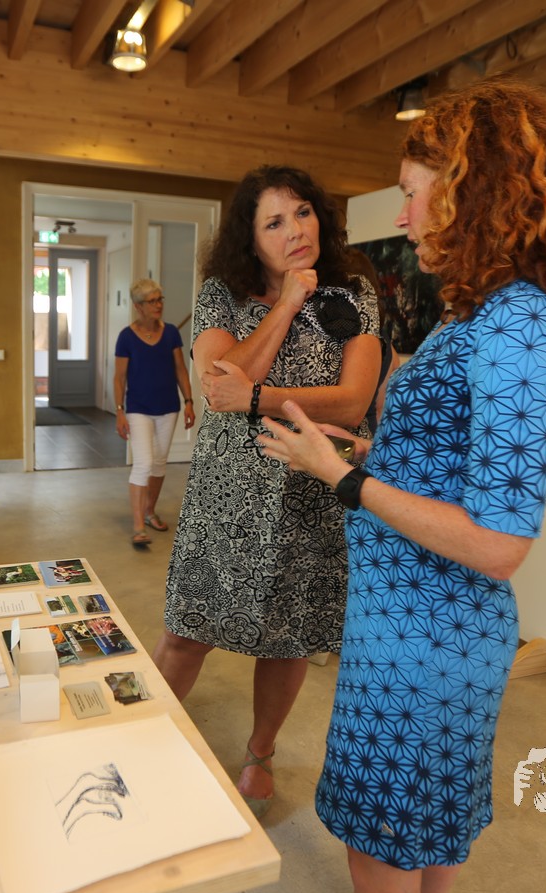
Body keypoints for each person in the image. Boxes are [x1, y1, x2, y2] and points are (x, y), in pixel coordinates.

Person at [256, 79, 546, 893]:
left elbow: (499, 543)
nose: (403, 216)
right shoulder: (492, 315)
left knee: (383, 857)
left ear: (470, 190)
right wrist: (363, 452)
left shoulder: (518, 329)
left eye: (412, 194)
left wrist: (346, 479)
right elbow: (450, 460)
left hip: (425, 644)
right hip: (409, 625)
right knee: (419, 839)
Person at [154, 164, 384, 817]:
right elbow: (216, 383)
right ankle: (145, 732)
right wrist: (284, 304)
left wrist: (255, 397)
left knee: (289, 637)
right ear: (249, 239)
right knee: (188, 628)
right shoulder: (221, 294)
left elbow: (353, 399)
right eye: (274, 222)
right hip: (226, 498)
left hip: (311, 494)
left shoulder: (355, 293)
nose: (295, 231)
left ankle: (260, 754)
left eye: (303, 213)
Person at [113, 278, 195, 546]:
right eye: (152, 301)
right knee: (144, 463)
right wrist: (119, 411)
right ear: (138, 306)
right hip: (138, 409)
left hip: (168, 407)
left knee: (159, 462)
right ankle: (138, 527)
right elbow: (119, 378)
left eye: (160, 299)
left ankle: (150, 512)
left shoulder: (170, 333)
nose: (158, 305)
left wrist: (189, 401)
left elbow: (180, 369)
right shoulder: (126, 337)